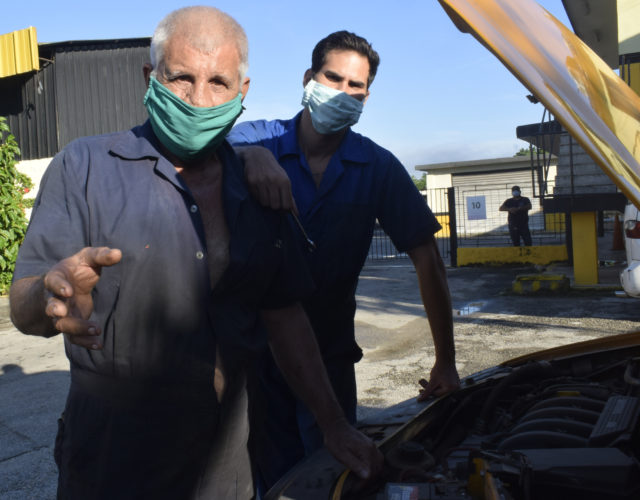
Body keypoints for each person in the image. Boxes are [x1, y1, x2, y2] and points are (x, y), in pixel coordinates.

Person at [9, 8, 381, 500]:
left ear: (242, 91)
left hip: (225, 472)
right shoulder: (83, 166)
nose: (198, 100)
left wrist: (333, 424)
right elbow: (23, 304)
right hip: (109, 466)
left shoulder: (260, 189)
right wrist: (48, 296)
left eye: (219, 82)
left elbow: (286, 318)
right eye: (181, 77)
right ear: (151, 77)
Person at [229, 30, 460, 490]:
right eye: (332, 77)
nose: (342, 92)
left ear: (367, 96)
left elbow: (427, 260)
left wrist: (446, 361)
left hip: (330, 354)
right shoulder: (258, 140)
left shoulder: (378, 167)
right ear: (308, 78)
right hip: (256, 355)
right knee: (269, 478)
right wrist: (249, 158)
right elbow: (202, 155)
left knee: (336, 475)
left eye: (355, 86)